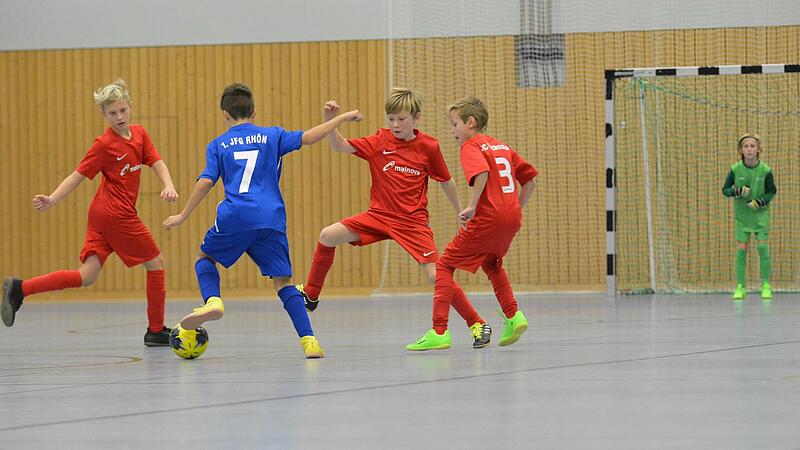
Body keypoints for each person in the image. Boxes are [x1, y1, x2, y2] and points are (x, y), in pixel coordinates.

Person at [162, 83, 363, 358]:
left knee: (205, 258)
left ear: (225, 114)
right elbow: (310, 136)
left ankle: (213, 301)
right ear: (254, 112)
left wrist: (183, 214)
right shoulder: (272, 136)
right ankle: (310, 342)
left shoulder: (218, 145)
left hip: (235, 217)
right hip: (271, 218)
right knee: (283, 281)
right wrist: (340, 118)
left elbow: (206, 182)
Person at [298, 89, 492, 349]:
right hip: (378, 215)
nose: (395, 125)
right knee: (328, 235)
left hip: (412, 222)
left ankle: (477, 324)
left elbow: (446, 181)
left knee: (437, 275)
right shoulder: (380, 140)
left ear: (416, 118)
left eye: (401, 119)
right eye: (391, 119)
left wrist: (461, 212)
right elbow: (339, 146)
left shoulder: (429, 147)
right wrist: (332, 119)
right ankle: (311, 295)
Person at [1, 79, 179, 347]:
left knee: (86, 276)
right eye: (112, 113)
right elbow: (77, 176)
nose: (119, 117)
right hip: (115, 215)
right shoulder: (104, 144)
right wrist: (52, 198)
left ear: (130, 107)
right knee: (156, 264)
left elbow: (156, 161)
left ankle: (20, 289)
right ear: (103, 114)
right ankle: (155, 331)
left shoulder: (140, 135)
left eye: (122, 110)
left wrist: (169, 185)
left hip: (101, 216)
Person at [407, 96, 537, 351]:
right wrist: (514, 209)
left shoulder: (470, 146)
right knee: (492, 264)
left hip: (488, 218)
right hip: (511, 219)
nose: (452, 130)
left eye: (454, 124)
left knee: (443, 266)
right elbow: (531, 182)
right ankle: (514, 316)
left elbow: (482, 173)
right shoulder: (502, 147)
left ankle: (439, 330)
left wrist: (473, 205)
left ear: (470, 122)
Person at [721, 133, 776, 300]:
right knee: (741, 250)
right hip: (742, 216)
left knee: (762, 248)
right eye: (746, 146)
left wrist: (761, 202)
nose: (749, 149)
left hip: (760, 215)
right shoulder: (735, 169)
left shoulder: (765, 170)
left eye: (753, 146)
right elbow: (725, 190)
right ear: (741, 150)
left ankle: (766, 285)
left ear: (759, 149)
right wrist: (736, 191)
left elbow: (772, 191)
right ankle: (740, 287)